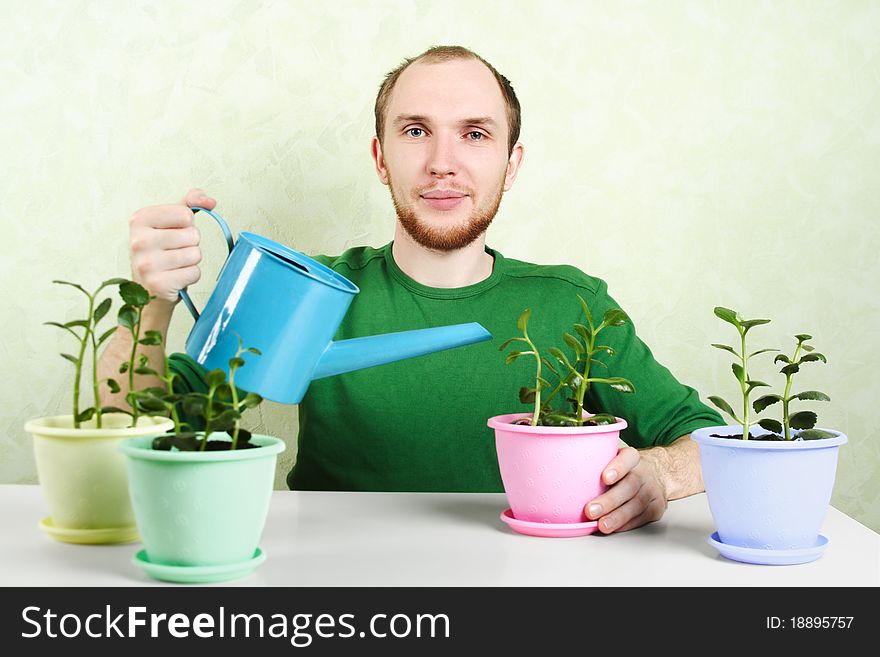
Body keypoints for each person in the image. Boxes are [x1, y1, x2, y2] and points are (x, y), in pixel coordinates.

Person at [98, 45, 722, 535]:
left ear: (512, 163)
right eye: (416, 131)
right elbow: (125, 426)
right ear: (379, 156)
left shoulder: (572, 303)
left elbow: (708, 439)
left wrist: (659, 476)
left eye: (474, 133)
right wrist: (149, 300)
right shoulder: (312, 291)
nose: (442, 162)